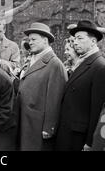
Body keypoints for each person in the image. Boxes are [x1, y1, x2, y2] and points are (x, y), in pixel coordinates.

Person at [55, 20, 105, 151]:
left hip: (79, 139)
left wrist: (90, 142)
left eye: (80, 38)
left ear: (93, 41)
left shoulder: (101, 67)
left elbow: (98, 109)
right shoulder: (82, 62)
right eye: (74, 39)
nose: (75, 42)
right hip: (67, 133)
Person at [18, 22, 67, 151]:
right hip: (25, 121)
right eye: (29, 40)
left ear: (45, 40)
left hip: (37, 126)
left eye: (34, 39)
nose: (30, 42)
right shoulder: (33, 59)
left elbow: (55, 100)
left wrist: (49, 127)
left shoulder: (54, 64)